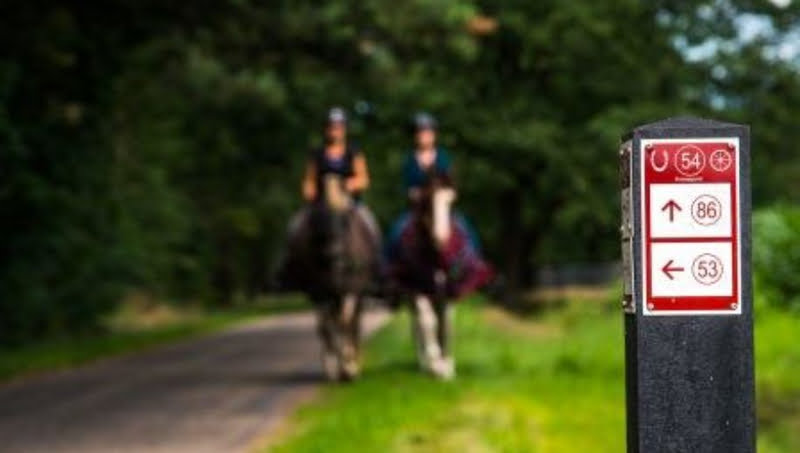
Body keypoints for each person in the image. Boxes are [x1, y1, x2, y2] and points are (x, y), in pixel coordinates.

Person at [288, 107, 380, 243]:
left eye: (338, 127)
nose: (335, 131)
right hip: (321, 202)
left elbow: (363, 179)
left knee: (371, 226)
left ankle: (377, 258)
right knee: (295, 226)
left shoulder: (353, 152)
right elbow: (309, 180)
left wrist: (349, 185)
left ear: (344, 129)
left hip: (350, 203)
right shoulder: (317, 154)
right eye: (331, 127)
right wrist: (310, 192)